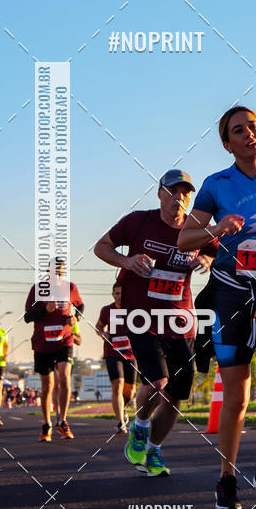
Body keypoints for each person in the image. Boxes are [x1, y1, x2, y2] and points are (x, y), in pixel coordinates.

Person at [178, 106, 256, 509]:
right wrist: (216, 228)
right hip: (231, 295)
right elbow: (185, 239)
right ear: (227, 143)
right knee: (236, 397)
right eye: (239, 130)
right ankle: (227, 476)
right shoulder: (216, 185)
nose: (249, 133)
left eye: (254, 126)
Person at [94, 169, 215, 477]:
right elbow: (101, 247)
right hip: (142, 318)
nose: (179, 197)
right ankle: (140, 425)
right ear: (160, 193)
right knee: (158, 382)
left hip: (180, 322)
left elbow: (221, 255)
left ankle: (154, 449)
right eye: (173, 191)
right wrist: (127, 261)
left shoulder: (196, 229)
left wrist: (207, 260)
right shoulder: (138, 222)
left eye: (185, 192)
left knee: (175, 395)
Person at [24, 257, 84, 441]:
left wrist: (76, 318)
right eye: (54, 269)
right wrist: (46, 310)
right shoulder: (38, 289)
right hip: (42, 342)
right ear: (47, 271)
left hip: (64, 340)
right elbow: (27, 317)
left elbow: (80, 306)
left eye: (60, 269)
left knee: (64, 378)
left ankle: (63, 421)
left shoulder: (70, 287)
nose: (58, 272)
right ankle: (47, 424)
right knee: (47, 385)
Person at [96, 282, 137, 433]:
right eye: (117, 293)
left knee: (130, 391)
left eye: (122, 293)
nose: (120, 296)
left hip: (130, 353)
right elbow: (99, 326)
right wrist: (102, 333)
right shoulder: (107, 310)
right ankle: (121, 422)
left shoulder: (134, 309)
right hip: (112, 352)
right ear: (113, 295)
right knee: (117, 384)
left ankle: (122, 408)